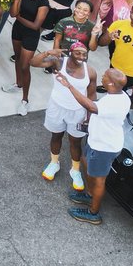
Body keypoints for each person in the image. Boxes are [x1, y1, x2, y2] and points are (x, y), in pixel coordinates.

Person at [53, 65, 131, 225]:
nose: (102, 77)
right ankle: (89, 194)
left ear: (110, 84)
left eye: (105, 77)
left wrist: (69, 85)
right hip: (96, 141)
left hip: (104, 148)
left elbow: (90, 106)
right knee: (85, 160)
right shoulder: (120, 95)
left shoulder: (113, 103)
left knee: (99, 180)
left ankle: (93, 212)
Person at [30, 42, 96, 193]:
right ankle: (54, 163)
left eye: (84, 54)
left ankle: (75, 170)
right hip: (57, 107)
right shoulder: (58, 62)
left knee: (75, 142)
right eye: (78, 53)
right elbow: (33, 62)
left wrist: (89, 115)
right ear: (71, 52)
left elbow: (92, 95)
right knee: (56, 136)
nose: (82, 57)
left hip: (77, 111)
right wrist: (48, 52)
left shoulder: (90, 72)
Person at [3, 0, 48, 115]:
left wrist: (19, 17)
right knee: (17, 58)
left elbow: (36, 26)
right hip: (18, 31)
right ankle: (18, 84)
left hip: (31, 35)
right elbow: (12, 13)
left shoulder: (43, 3)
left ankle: (25, 99)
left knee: (25, 66)